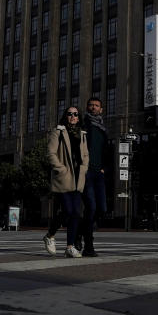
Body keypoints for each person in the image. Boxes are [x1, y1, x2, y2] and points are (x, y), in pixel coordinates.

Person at [44, 106, 89, 258]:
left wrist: (84, 168)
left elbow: (85, 155)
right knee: (68, 211)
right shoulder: (58, 132)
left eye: (75, 114)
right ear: (65, 116)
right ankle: (50, 235)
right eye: (69, 114)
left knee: (76, 213)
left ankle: (70, 246)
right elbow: (51, 153)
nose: (73, 116)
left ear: (78, 117)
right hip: (64, 178)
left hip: (78, 179)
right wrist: (61, 169)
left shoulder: (82, 134)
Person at [80, 97, 108, 257]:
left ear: (101, 109)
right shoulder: (84, 125)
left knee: (102, 209)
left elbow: (106, 150)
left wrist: (104, 168)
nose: (93, 108)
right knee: (90, 207)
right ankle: (88, 246)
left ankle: (78, 233)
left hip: (99, 173)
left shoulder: (103, 129)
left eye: (96, 106)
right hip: (87, 172)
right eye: (90, 105)